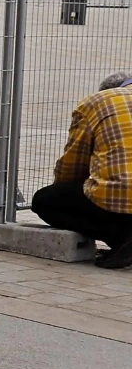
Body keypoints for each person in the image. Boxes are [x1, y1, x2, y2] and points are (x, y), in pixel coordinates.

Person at [32, 72, 132, 269]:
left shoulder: (97, 102)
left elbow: (73, 163)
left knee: (44, 201)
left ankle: (123, 239)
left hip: (120, 196)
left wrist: (62, 188)